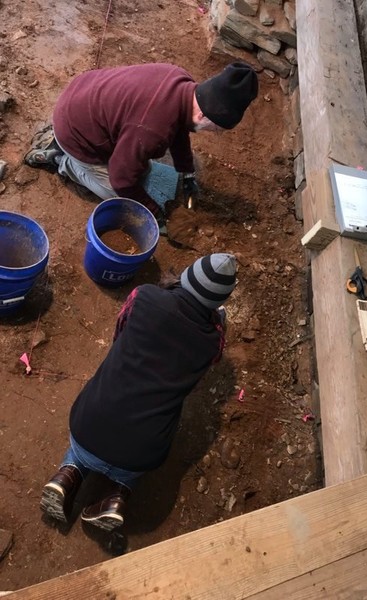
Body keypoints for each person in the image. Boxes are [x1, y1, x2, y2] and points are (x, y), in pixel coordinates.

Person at [40, 253, 237, 531]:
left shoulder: (144, 296)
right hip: (141, 454)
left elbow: (120, 334)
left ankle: (67, 475)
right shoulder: (212, 342)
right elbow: (207, 367)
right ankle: (116, 498)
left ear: (187, 276)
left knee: (82, 448)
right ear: (218, 303)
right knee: (132, 464)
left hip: (88, 425)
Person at [24, 62, 258, 220]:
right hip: (76, 133)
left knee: (142, 170)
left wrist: (187, 174)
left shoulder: (181, 82)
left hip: (83, 96)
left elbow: (179, 129)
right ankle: (63, 162)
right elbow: (122, 180)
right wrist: (153, 210)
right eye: (216, 129)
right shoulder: (152, 130)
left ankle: (67, 149)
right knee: (121, 196)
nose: (215, 134)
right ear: (202, 115)